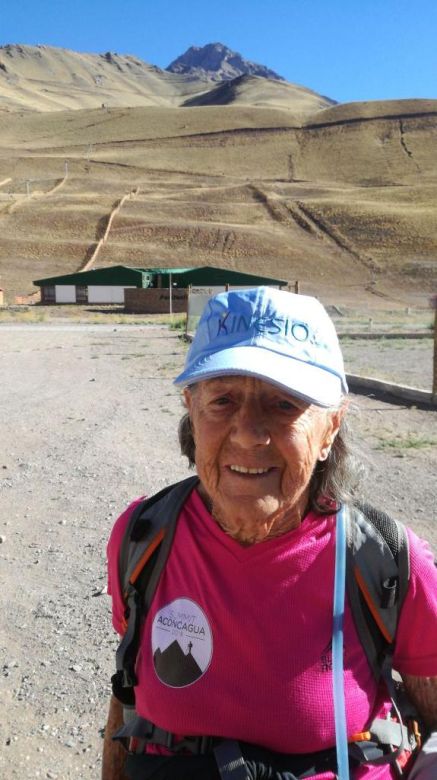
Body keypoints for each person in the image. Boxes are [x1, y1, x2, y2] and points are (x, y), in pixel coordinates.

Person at [102, 287, 437, 780]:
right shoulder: (143, 538)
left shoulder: (388, 562)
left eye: (284, 405)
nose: (248, 433)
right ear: (191, 411)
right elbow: (127, 696)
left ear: (330, 428)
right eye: (222, 400)